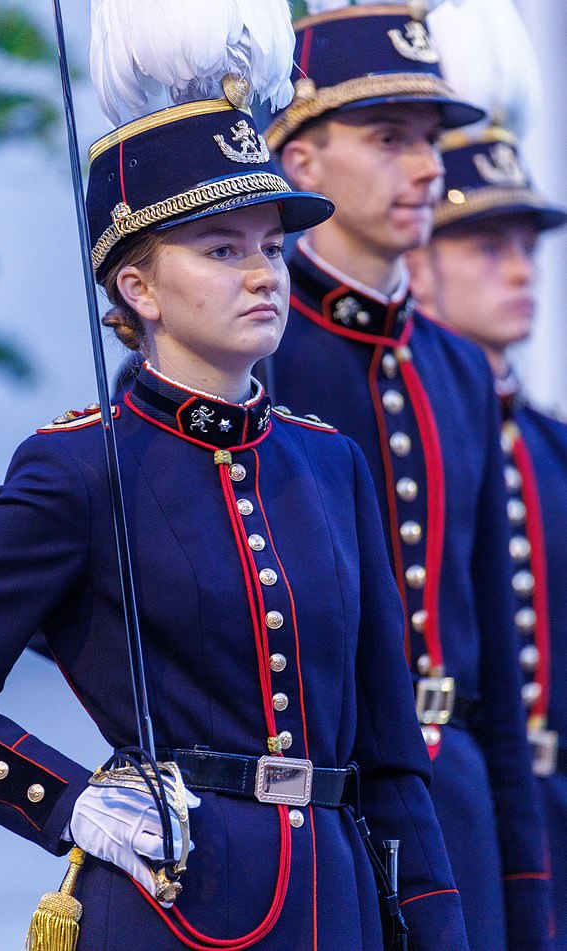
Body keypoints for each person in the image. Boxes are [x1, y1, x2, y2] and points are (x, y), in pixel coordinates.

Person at [0, 2, 470, 949]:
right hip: (168, 904)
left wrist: (437, 929)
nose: (264, 272)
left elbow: (392, 761)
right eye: (223, 249)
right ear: (137, 286)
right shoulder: (76, 466)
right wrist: (67, 804)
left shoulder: (329, 460)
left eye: (271, 245)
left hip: (338, 909)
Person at [263, 3, 553, 948]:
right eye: (390, 139)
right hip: (311, 804)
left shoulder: (455, 366)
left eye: (430, 141)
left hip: (457, 799)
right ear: (301, 159)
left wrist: (528, 896)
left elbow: (500, 680)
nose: (429, 167)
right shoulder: (254, 353)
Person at [407, 123, 567, 950]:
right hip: (440, 794)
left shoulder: (550, 445)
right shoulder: (383, 414)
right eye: (484, 246)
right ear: (418, 262)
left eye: (527, 250)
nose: (520, 271)